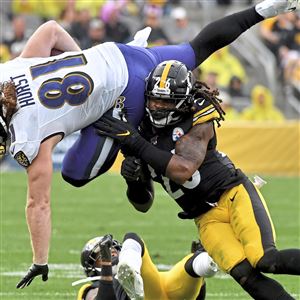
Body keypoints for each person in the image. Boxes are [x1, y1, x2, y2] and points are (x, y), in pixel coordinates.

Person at [0, 0, 297, 288]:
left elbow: (38, 203)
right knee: (196, 49)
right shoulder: (7, 74)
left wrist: (40, 259)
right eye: (154, 100)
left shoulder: (28, 134)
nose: (156, 106)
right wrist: (90, 63)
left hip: (124, 96)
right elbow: (50, 30)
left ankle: (108, 108)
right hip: (118, 54)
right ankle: (263, 9)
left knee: (74, 175)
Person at [94, 59, 300, 299]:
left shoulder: (198, 118)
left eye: (166, 101)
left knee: (265, 259)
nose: (158, 107)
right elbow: (143, 204)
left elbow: (183, 170)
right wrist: (134, 180)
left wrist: (136, 143)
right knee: (246, 276)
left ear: (183, 101)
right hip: (205, 219)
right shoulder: (141, 132)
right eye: (154, 99)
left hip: (232, 195)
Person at [76, 234, 218, 300]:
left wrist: (201, 278)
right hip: (148, 295)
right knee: (131, 238)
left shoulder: (133, 266)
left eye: (113, 248)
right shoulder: (90, 290)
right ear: (91, 269)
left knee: (194, 266)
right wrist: (107, 265)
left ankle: (204, 259)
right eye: (101, 255)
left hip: (162, 288)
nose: (111, 252)